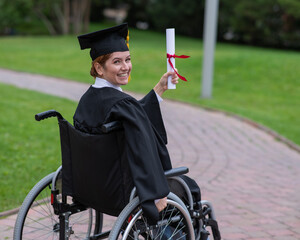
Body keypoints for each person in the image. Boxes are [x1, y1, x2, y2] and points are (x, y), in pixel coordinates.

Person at [73, 23, 180, 224]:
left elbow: (133, 115)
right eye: (117, 62)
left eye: (128, 59)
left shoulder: (88, 99)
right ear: (99, 67)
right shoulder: (121, 103)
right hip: (124, 188)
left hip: (93, 186)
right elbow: (143, 147)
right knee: (187, 188)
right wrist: (156, 193)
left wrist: (159, 88)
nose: (126, 67)